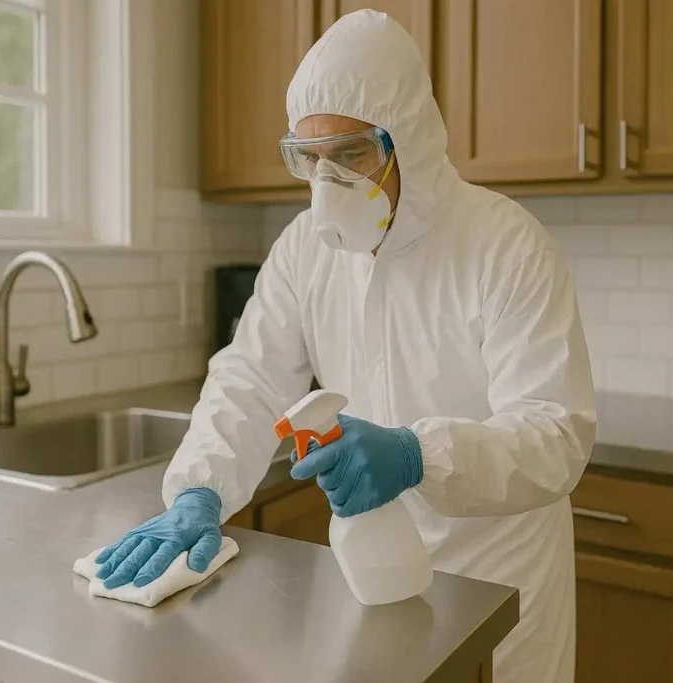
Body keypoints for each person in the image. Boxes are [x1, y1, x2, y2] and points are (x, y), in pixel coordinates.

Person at [93, 9, 596, 682]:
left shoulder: (505, 245)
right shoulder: (306, 247)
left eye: (351, 154)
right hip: (367, 576)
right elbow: (250, 375)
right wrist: (199, 489)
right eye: (310, 158)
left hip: (498, 583)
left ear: (407, 140)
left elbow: (555, 433)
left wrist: (419, 455)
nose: (326, 182)